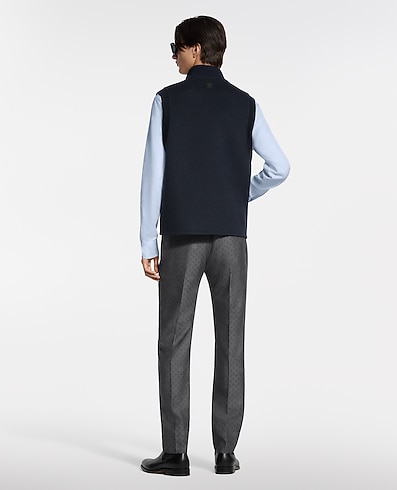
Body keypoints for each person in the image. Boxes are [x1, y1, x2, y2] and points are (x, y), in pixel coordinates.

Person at [139, 15, 290, 476]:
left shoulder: (167, 100)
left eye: (177, 47)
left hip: (182, 237)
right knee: (230, 339)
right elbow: (280, 167)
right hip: (230, 239)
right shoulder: (245, 103)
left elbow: (153, 172)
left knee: (174, 340)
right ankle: (225, 453)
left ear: (196, 49)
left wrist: (147, 238)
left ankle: (176, 453)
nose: (173, 56)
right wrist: (239, 193)